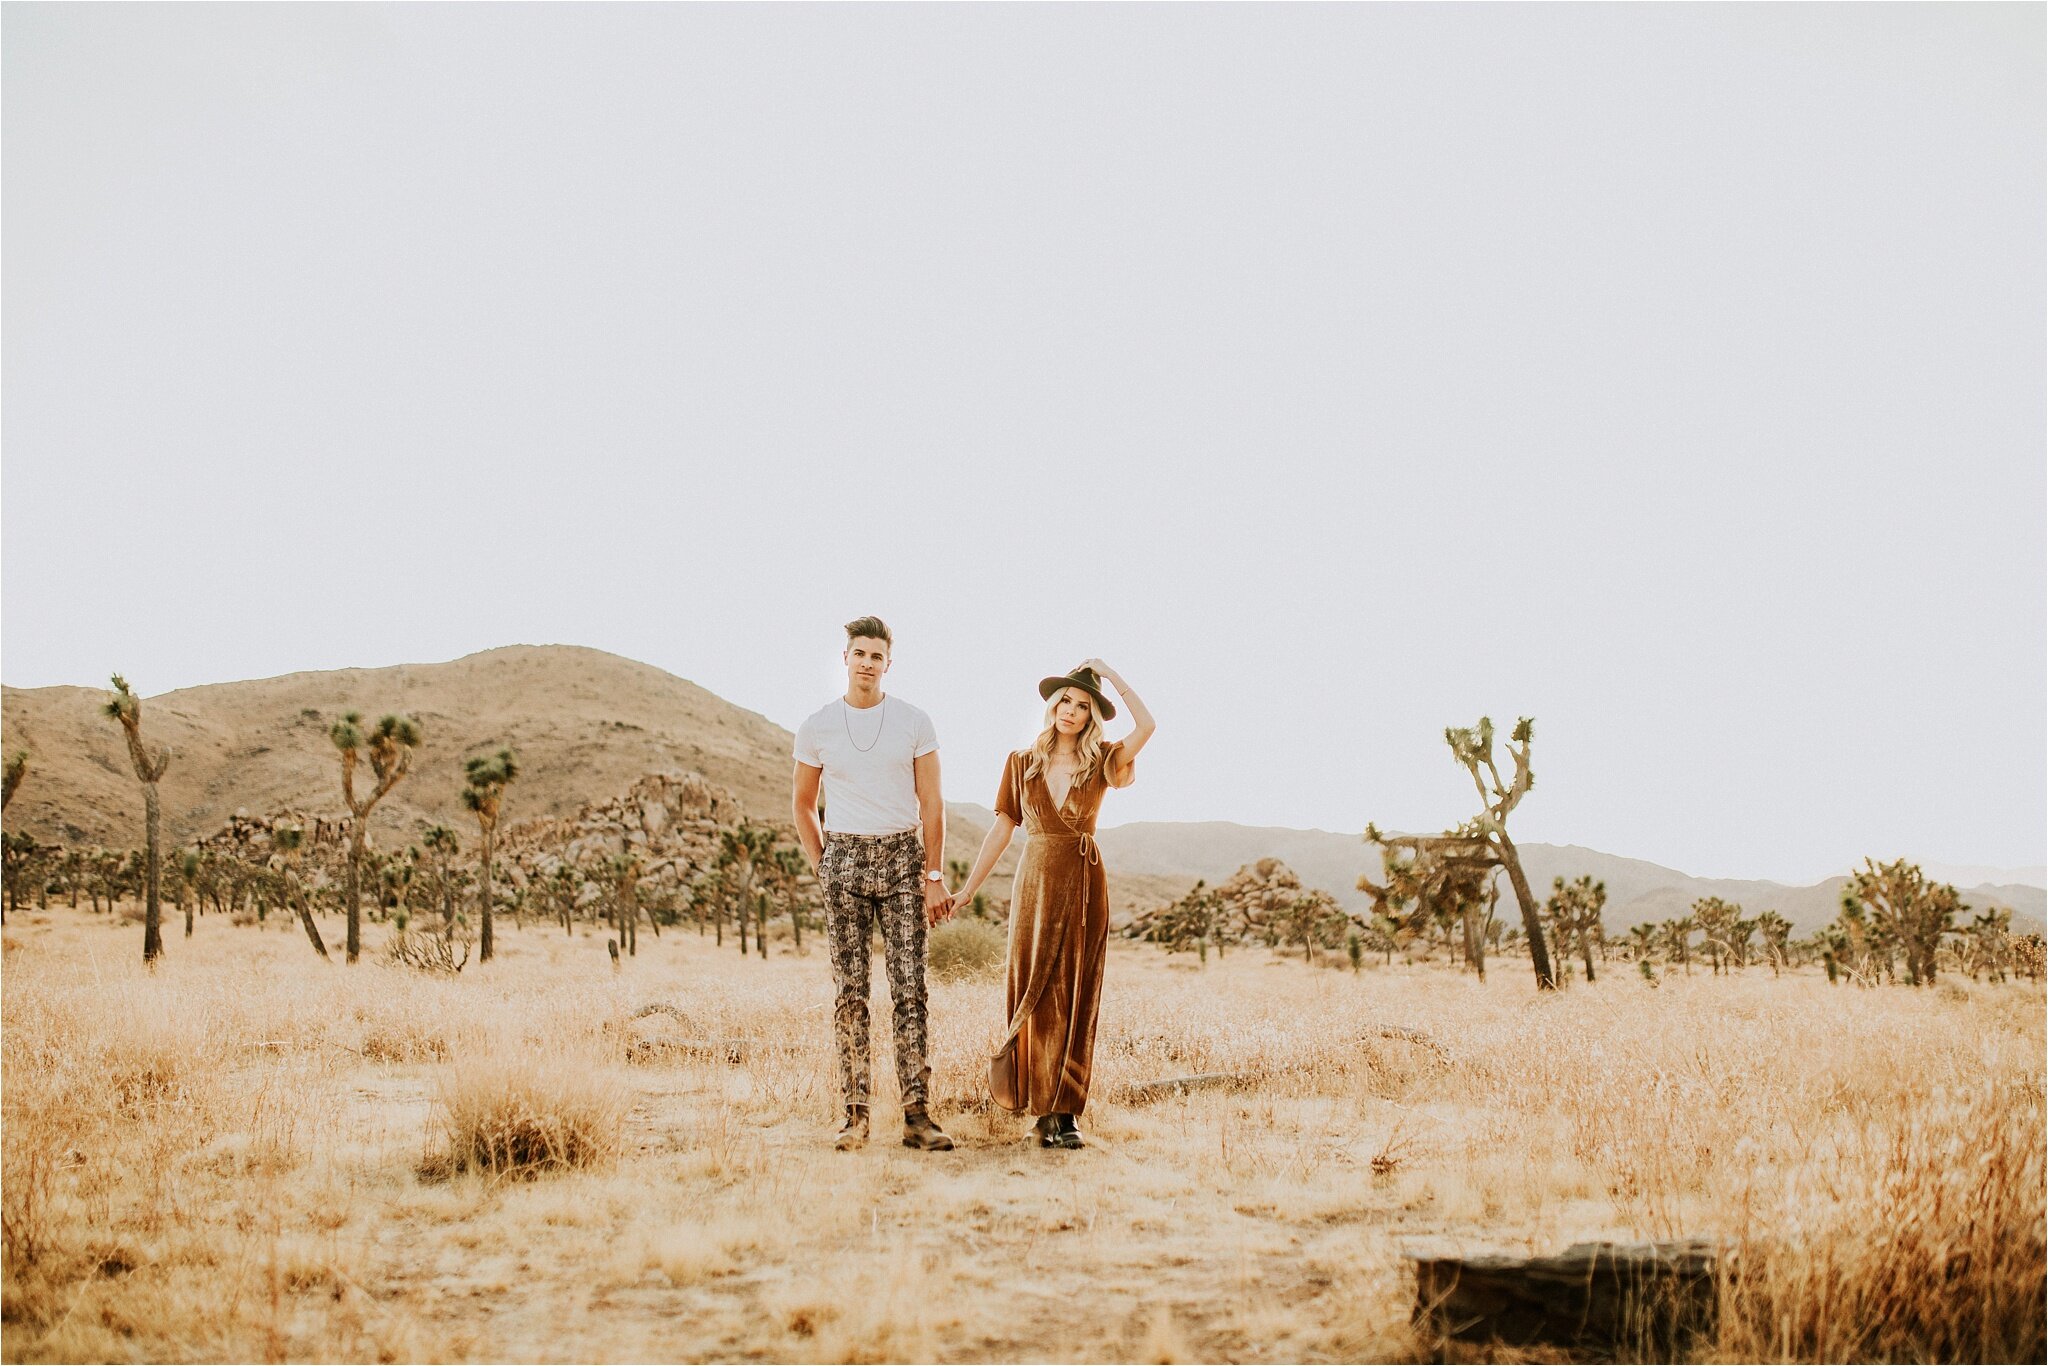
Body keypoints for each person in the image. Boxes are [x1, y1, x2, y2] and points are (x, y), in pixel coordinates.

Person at [950, 659, 1155, 1149]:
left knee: (1076, 993)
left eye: (1083, 705)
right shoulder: (1021, 762)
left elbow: (1148, 725)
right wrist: (969, 889)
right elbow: (1002, 828)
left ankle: (1066, 1113)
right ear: (1052, 706)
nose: (1070, 710)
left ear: (1092, 717)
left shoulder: (1104, 759)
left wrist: (1109, 671)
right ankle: (1041, 1107)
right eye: (1064, 700)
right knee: (1034, 991)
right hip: (1036, 883)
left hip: (1084, 881)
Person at [792, 616, 955, 1152]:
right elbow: (802, 804)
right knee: (851, 993)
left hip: (903, 859)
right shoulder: (817, 725)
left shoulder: (913, 721)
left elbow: (932, 804)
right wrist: (824, 865)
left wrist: (933, 874)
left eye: (876, 655)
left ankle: (917, 1116)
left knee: (911, 991)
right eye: (858, 653)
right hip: (844, 860)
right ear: (845, 657)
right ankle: (855, 1115)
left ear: (888, 663)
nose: (867, 662)